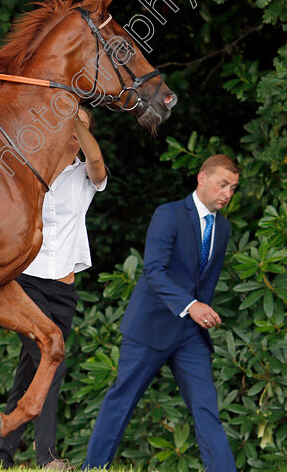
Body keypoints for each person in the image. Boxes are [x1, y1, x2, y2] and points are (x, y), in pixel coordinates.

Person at [83, 154, 240, 471]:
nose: (227, 193)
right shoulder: (168, 215)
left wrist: (200, 313)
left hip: (191, 335)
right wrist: (192, 306)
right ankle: (93, 468)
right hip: (149, 328)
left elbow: (204, 282)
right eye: (222, 184)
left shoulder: (223, 229)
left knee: (207, 409)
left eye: (233, 188)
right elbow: (154, 272)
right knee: (121, 402)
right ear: (202, 178)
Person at [0, 107, 107, 470]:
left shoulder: (88, 176)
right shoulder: (30, 169)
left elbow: (97, 160)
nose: (75, 131)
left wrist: (73, 119)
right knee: (50, 357)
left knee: (30, 369)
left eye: (83, 127)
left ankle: (1, 456)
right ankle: (47, 458)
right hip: (24, 282)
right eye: (71, 125)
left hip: (64, 287)